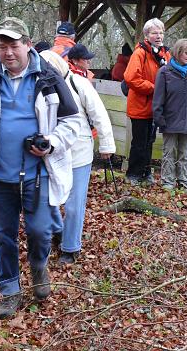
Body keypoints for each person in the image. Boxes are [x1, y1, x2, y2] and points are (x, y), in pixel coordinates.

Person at [0, 17, 79, 319]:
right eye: (2, 47)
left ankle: (39, 268)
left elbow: (73, 123)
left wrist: (50, 142)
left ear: (27, 44)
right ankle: (10, 289)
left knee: (40, 232)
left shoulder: (48, 77)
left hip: (38, 174)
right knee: (3, 236)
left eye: (13, 45)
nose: (8, 52)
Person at [40, 50, 115, 265]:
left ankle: (70, 247)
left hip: (79, 152)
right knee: (48, 199)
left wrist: (107, 144)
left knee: (74, 204)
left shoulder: (78, 84)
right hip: (51, 153)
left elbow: (99, 113)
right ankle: (57, 230)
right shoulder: (40, 89)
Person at [153, 39, 187, 191]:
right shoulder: (164, 72)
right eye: (186, 53)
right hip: (169, 120)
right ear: (177, 53)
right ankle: (167, 183)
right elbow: (158, 98)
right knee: (169, 153)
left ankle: (185, 183)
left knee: (186, 154)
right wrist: (159, 118)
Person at [123, 18, 171, 186]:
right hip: (140, 106)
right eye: (154, 33)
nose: (158, 36)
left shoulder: (165, 53)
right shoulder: (140, 53)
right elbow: (131, 78)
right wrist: (155, 88)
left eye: (160, 32)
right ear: (146, 35)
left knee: (150, 141)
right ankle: (133, 174)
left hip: (156, 107)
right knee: (139, 142)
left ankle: (146, 172)